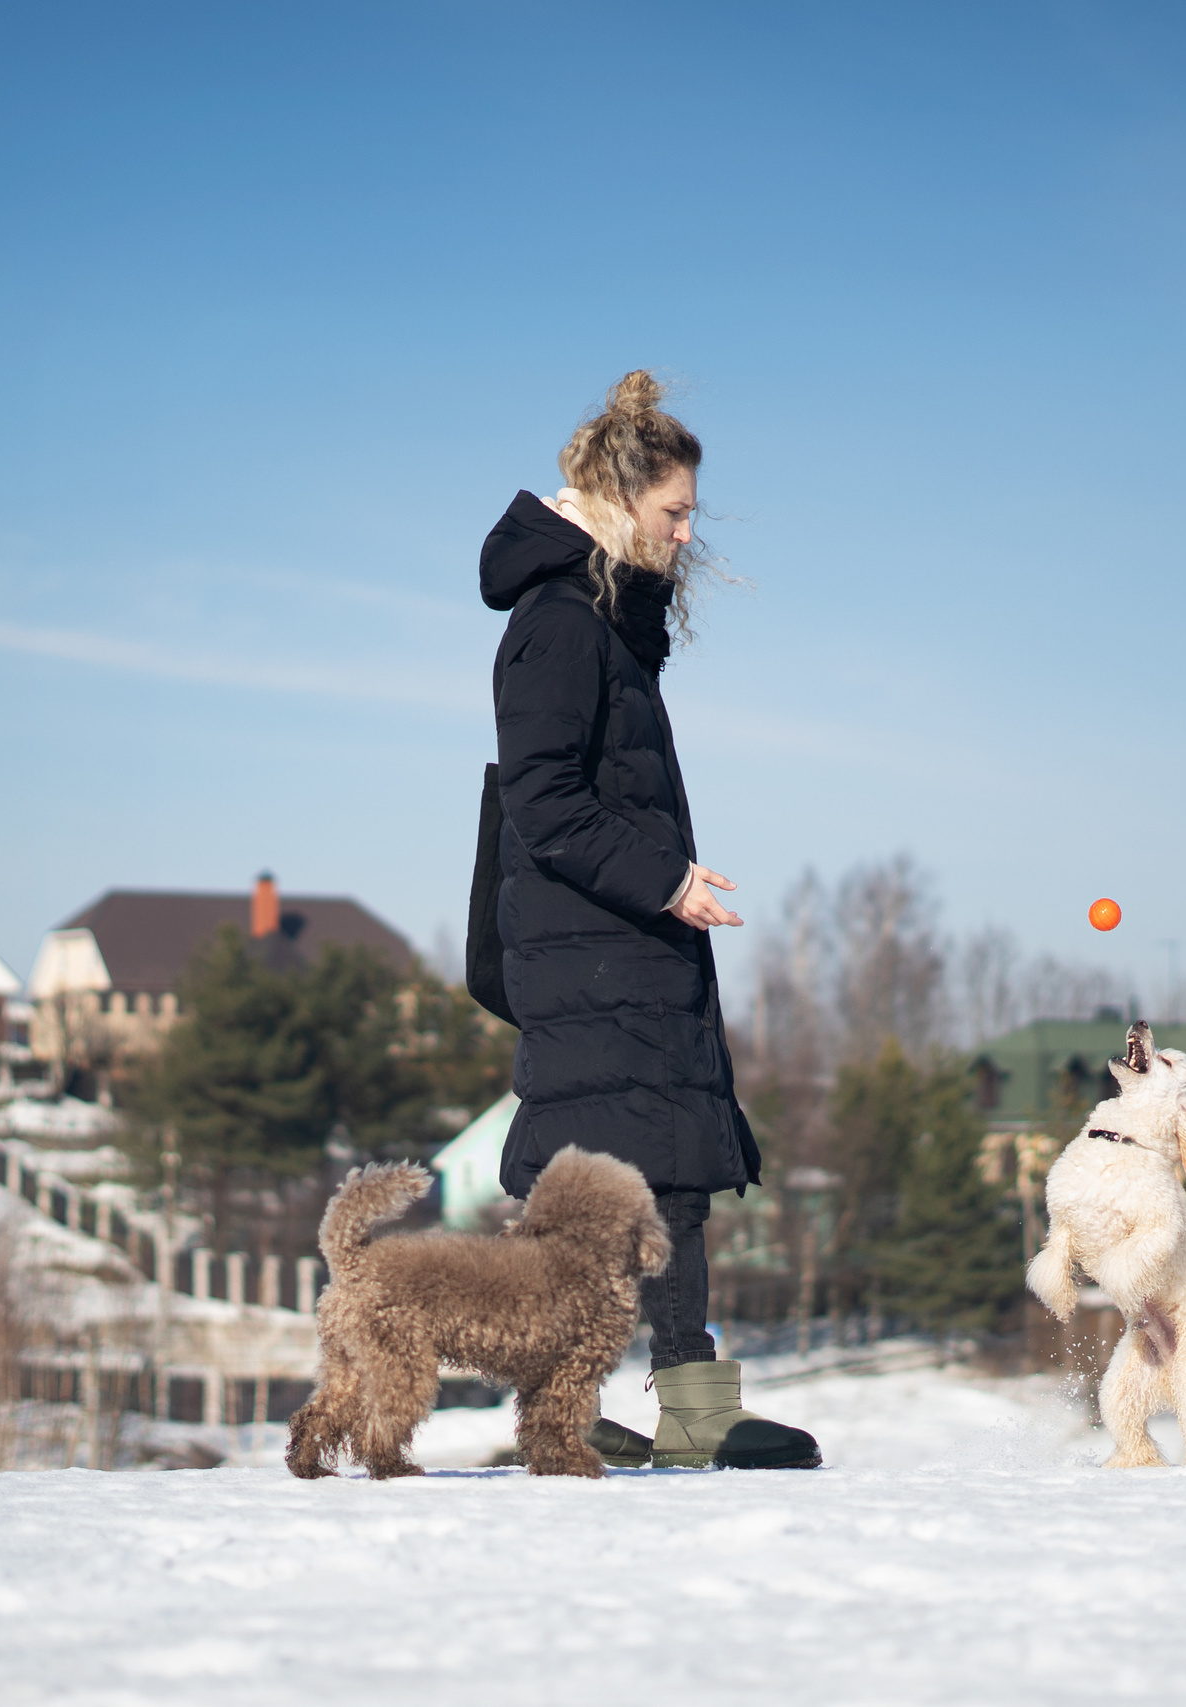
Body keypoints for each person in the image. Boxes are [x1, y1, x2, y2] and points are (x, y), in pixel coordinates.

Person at [477, 371, 819, 1471]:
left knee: (645, 1166)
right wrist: (666, 880)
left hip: (611, 938)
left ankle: (614, 1400)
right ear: (621, 500)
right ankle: (652, 1403)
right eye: (674, 512)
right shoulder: (555, 624)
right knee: (629, 1171)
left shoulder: (598, 620)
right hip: (594, 941)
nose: (686, 533)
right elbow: (545, 802)